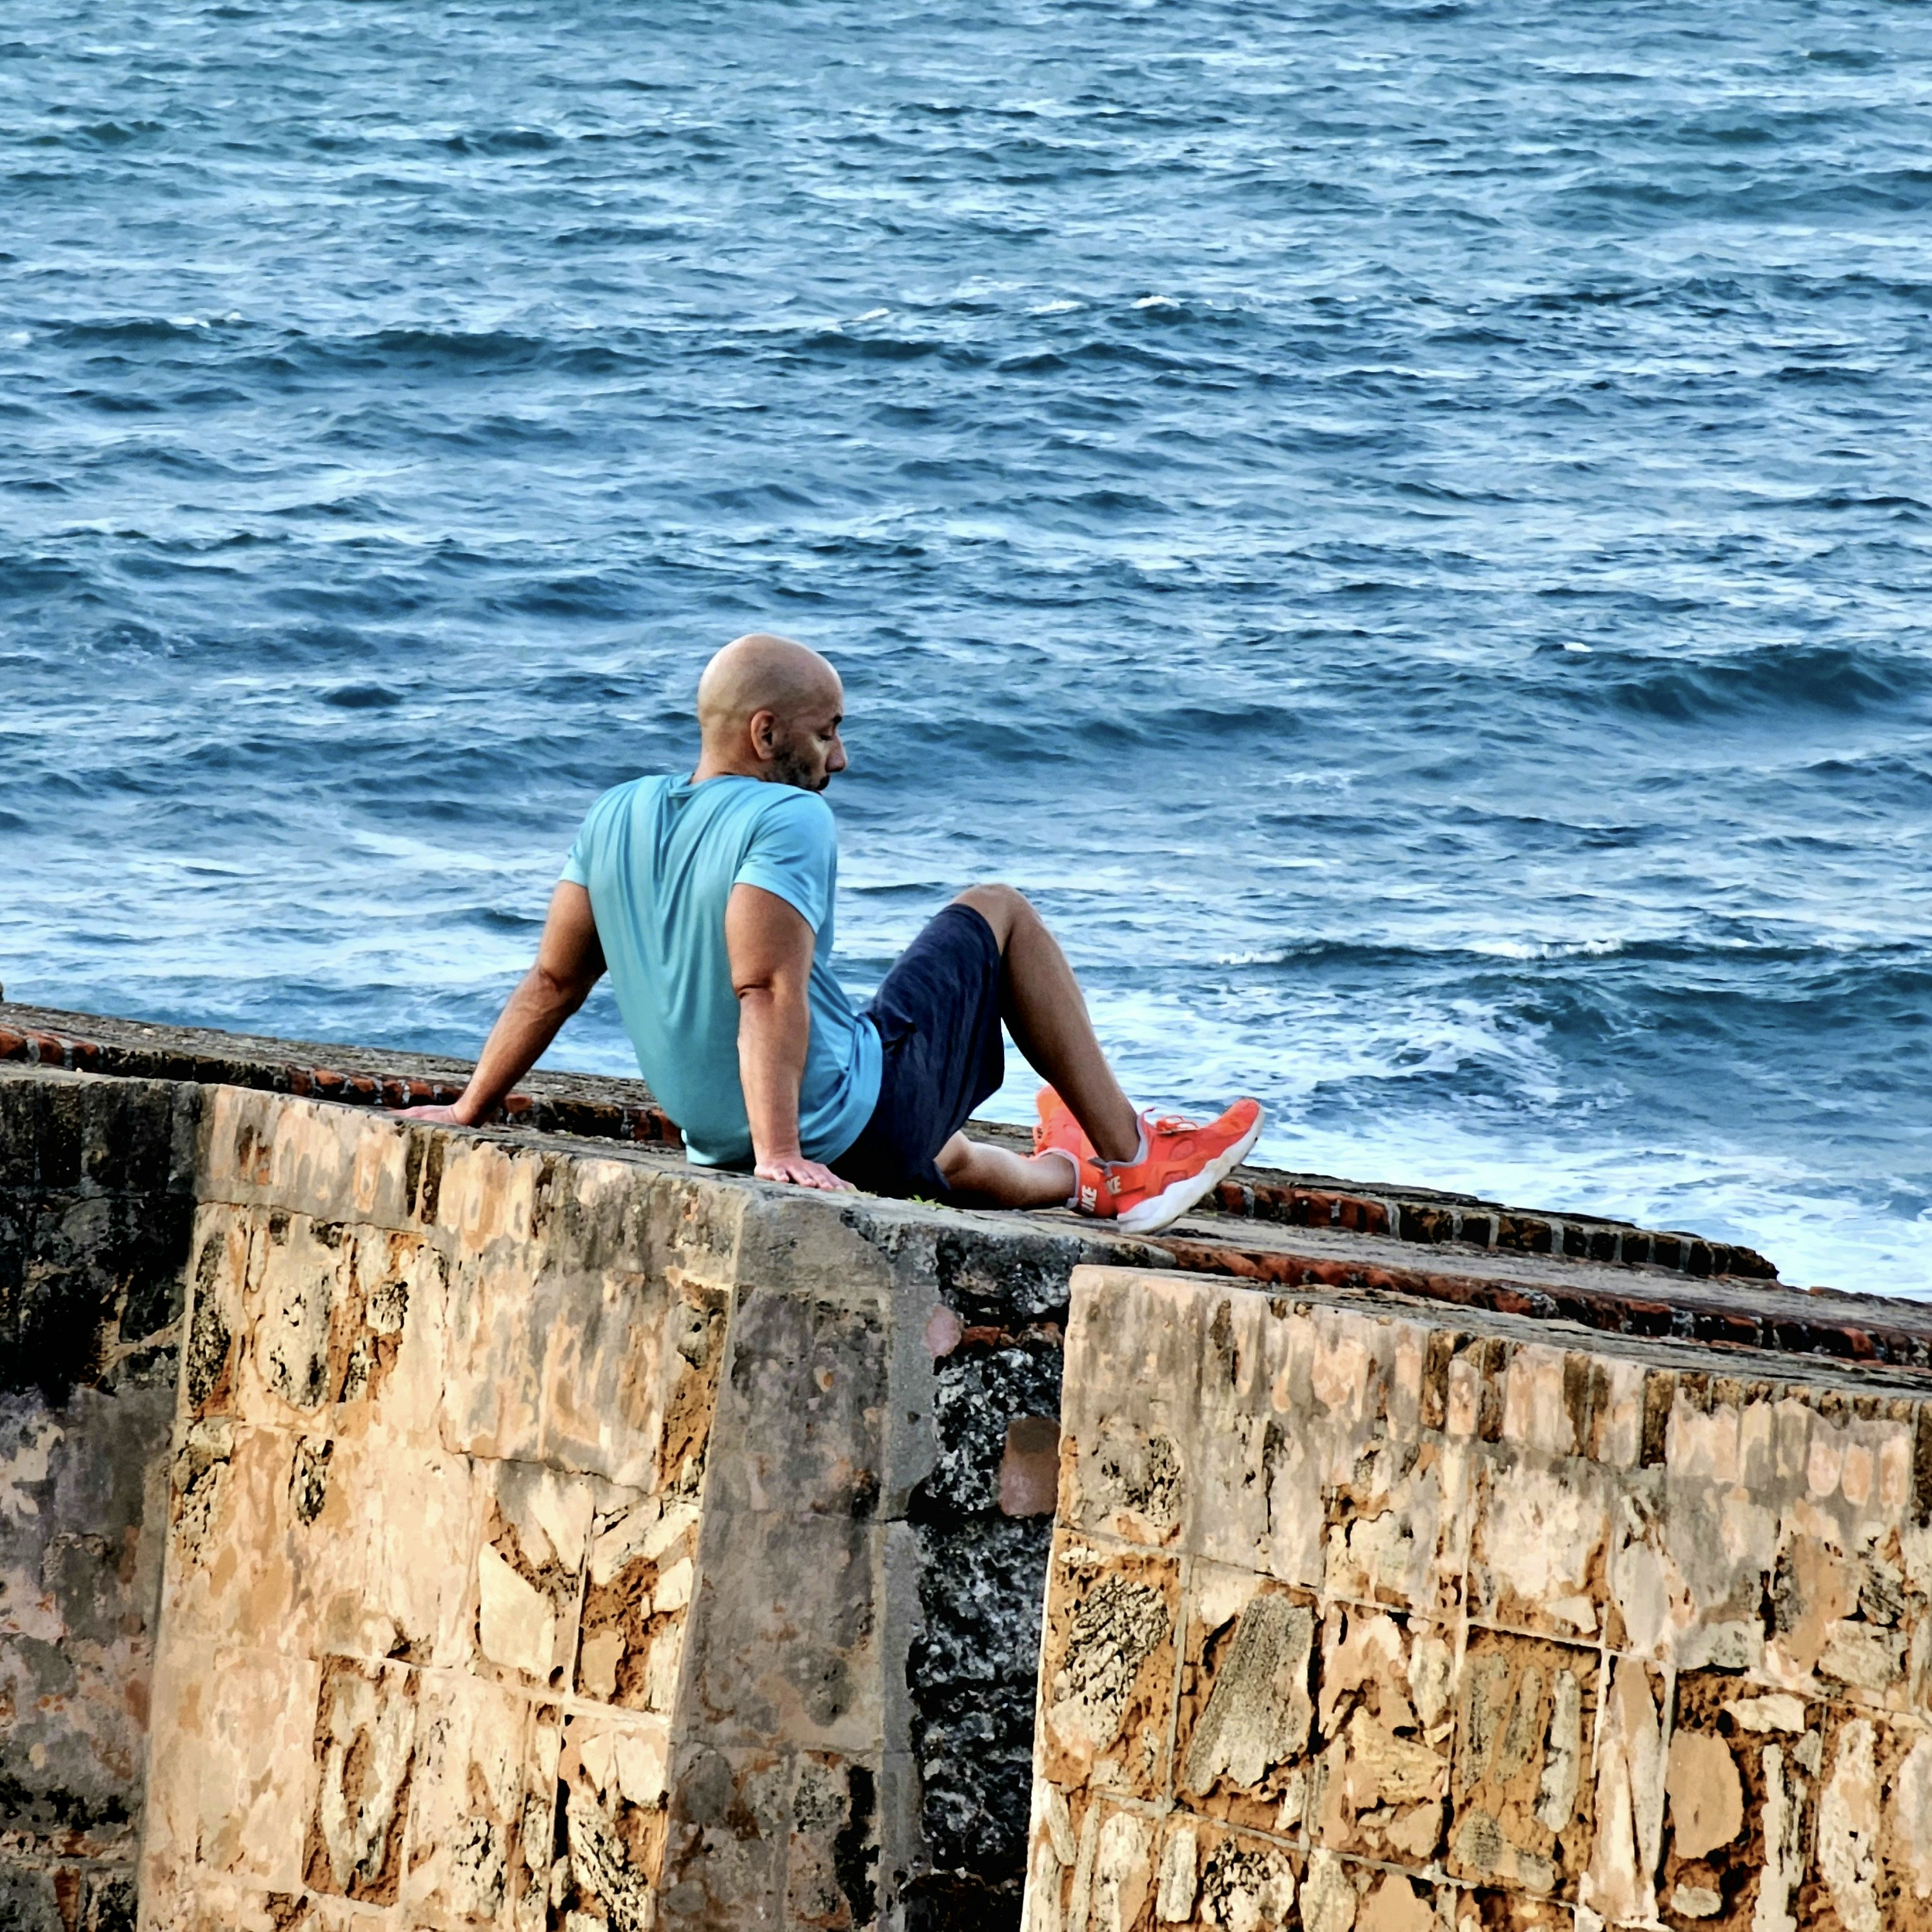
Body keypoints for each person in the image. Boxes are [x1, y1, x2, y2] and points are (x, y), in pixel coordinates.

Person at [399, 633, 1261, 1235]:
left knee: (945, 1152)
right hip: (825, 1130)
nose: (839, 758)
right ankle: (1134, 1157)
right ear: (765, 732)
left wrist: (472, 1107)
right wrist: (782, 1151)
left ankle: (1074, 1179)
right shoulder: (788, 816)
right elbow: (764, 987)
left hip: (722, 1144)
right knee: (999, 909)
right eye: (828, 732)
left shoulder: (613, 814)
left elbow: (553, 983)